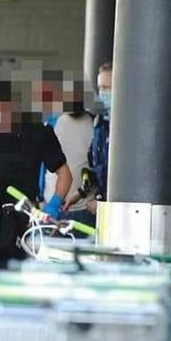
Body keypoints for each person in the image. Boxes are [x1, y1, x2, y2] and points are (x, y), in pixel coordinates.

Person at [0, 79, 72, 270]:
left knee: (16, 275)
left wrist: (54, 205)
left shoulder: (37, 133)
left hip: (22, 221)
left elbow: (64, 173)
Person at [42, 79, 96, 227]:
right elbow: (42, 164)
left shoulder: (96, 124)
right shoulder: (51, 124)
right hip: (51, 206)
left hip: (85, 207)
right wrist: (40, 198)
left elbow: (100, 167)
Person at [87, 62, 113, 213]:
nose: (102, 94)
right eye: (100, 88)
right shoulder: (100, 123)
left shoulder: (129, 128)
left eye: (106, 88)